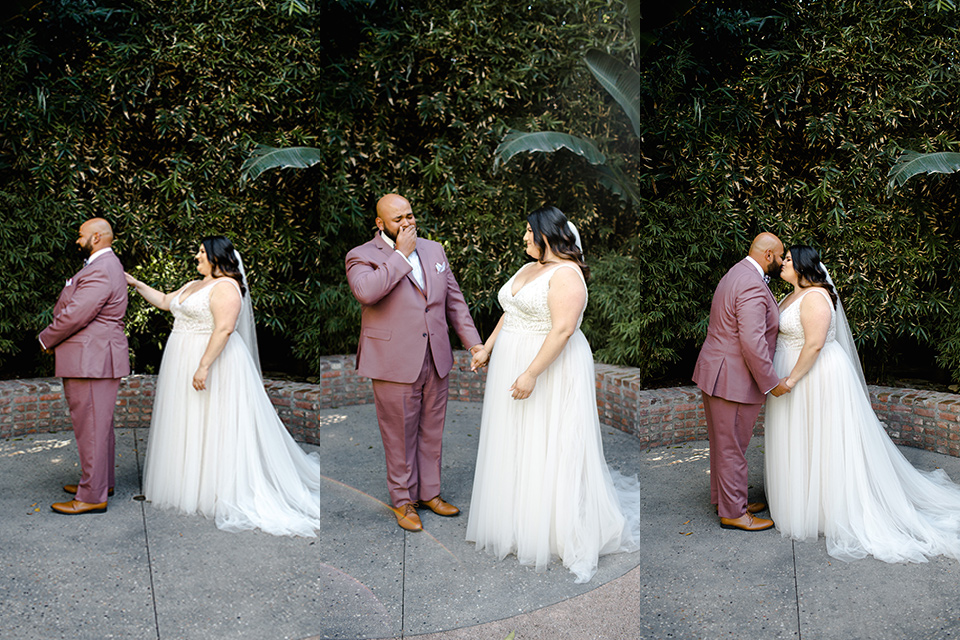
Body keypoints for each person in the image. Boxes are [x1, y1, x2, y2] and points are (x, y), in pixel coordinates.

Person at [466, 206, 643, 583]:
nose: (524, 238)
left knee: (551, 441)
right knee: (516, 440)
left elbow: (562, 331)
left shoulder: (567, 275)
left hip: (550, 367)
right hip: (513, 359)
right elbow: (510, 311)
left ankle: (553, 529)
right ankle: (518, 520)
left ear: (546, 234)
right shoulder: (529, 268)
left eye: (529, 232)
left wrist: (531, 372)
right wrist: (488, 348)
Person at [765, 245, 960, 562]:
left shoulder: (815, 296)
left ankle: (829, 510)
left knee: (823, 441)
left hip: (814, 378)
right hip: (797, 375)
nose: (782, 263)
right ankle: (806, 504)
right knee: (804, 441)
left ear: (802, 266)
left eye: (788, 259)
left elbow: (813, 345)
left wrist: (789, 380)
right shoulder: (791, 295)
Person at [128, 236, 330, 536]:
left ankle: (216, 488)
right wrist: (134, 282)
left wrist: (204, 365)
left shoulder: (226, 287)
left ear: (215, 256)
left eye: (200, 252)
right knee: (190, 421)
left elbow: (224, 328)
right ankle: (192, 484)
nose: (196, 256)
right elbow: (163, 301)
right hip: (182, 360)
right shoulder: (192, 285)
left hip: (215, 363)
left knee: (215, 423)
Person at [345, 194, 483, 532]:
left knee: (431, 431)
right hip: (393, 362)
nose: (406, 223)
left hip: (436, 356)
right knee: (399, 435)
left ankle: (430, 493)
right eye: (397, 219)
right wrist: (400, 255)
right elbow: (366, 292)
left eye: (409, 215)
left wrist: (475, 344)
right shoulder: (360, 255)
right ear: (380, 224)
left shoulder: (434, 249)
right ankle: (403, 501)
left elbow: (454, 300)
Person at [692, 232, 790, 532]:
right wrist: (771, 382)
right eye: (781, 255)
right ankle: (734, 513)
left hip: (720, 373)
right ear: (769, 255)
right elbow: (752, 341)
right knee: (732, 445)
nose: (783, 261)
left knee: (725, 444)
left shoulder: (738, 271)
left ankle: (728, 501)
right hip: (732, 379)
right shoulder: (750, 281)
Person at [40, 217, 131, 515]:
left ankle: (92, 496)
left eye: (80, 235)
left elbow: (76, 314)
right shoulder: (104, 266)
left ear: (96, 237)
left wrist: (46, 339)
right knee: (98, 425)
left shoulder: (102, 268)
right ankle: (101, 482)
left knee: (91, 426)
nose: (77, 240)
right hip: (93, 357)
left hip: (91, 358)